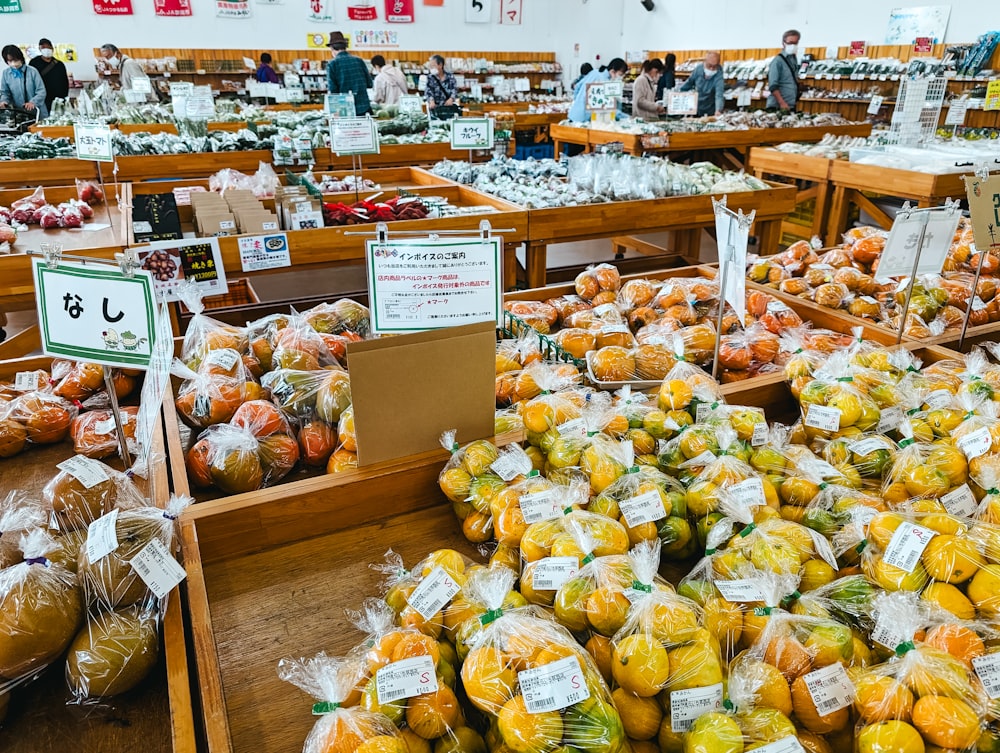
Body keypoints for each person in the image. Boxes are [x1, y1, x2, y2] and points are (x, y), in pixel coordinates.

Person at [567, 57, 628, 123]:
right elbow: (605, 106)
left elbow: (577, 86)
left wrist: (578, 102)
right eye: (620, 75)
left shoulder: (594, 72)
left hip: (575, 114)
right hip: (584, 119)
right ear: (613, 71)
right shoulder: (604, 81)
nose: (620, 78)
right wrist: (625, 117)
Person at [326, 31, 373, 116]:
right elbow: (369, 83)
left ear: (332, 49)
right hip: (364, 108)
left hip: (345, 110)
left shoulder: (332, 64)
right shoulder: (359, 61)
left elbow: (333, 90)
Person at [0, 45, 48, 119]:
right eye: (10, 61)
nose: (13, 63)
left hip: (37, 113)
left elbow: (41, 91)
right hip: (18, 114)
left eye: (15, 60)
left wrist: (33, 102)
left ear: (20, 58)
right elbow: (5, 92)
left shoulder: (32, 71)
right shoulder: (6, 73)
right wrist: (4, 101)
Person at [679, 51, 725, 116]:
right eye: (709, 66)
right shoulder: (698, 69)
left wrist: (718, 110)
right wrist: (678, 95)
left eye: (714, 66)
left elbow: (719, 95)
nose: (711, 69)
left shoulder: (719, 74)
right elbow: (688, 83)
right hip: (696, 107)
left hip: (710, 109)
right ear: (705, 62)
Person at [29, 39, 68, 111]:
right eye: (43, 47)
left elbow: (65, 82)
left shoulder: (59, 64)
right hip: (42, 99)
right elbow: (30, 80)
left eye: (48, 47)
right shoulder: (34, 63)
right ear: (39, 49)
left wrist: (64, 98)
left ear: (52, 49)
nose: (46, 50)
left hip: (58, 99)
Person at [767, 29, 801, 111]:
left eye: (795, 43)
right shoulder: (777, 61)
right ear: (783, 43)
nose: (792, 45)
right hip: (778, 106)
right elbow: (773, 86)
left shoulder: (793, 59)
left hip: (790, 105)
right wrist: (782, 103)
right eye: (790, 43)